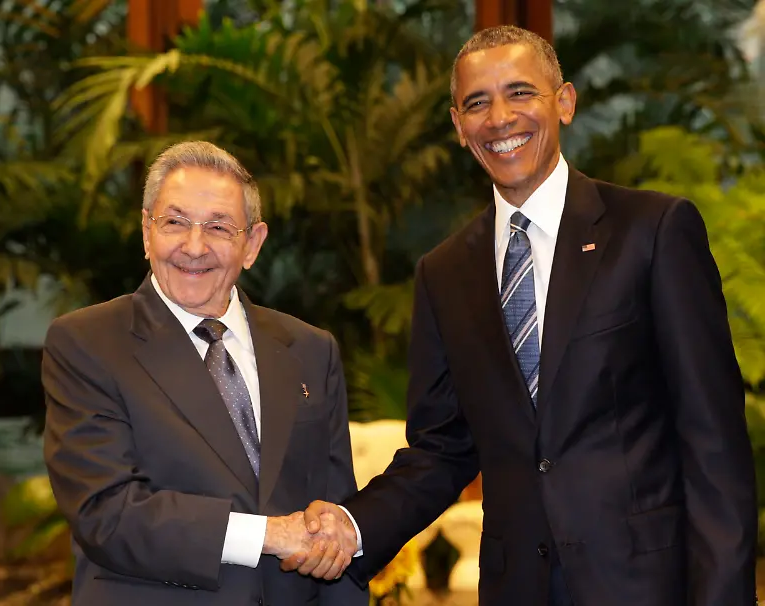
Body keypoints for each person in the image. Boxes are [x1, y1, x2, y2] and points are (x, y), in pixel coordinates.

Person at [283, 25, 759, 606]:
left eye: (520, 92)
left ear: (565, 102)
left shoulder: (652, 231)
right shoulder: (444, 273)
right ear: (459, 126)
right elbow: (441, 448)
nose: (500, 118)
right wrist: (354, 527)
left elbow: (713, 440)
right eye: (476, 103)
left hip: (647, 586)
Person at [42, 141, 367, 606]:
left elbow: (336, 520)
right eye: (175, 222)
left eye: (218, 227)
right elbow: (106, 512)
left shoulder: (311, 350)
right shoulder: (88, 343)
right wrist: (268, 535)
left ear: (252, 244)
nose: (194, 247)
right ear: (147, 232)